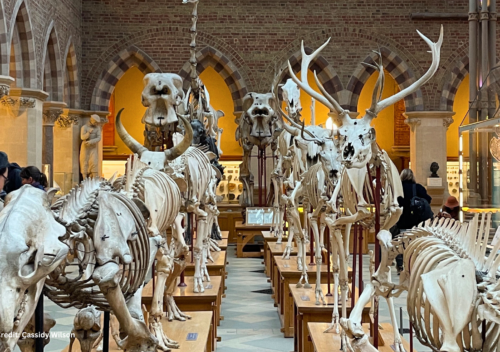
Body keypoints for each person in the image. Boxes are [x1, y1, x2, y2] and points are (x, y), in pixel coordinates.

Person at [393, 168, 433, 273]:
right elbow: (428, 199)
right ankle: (414, 264)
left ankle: (401, 265)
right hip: (416, 222)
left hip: (401, 221)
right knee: (415, 243)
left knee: (401, 243)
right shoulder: (418, 188)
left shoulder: (397, 189)